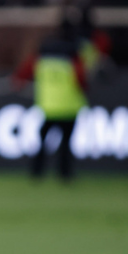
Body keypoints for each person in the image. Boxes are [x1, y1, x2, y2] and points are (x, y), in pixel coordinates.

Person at [15, 19, 89, 180]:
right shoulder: (73, 52)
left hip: (48, 106)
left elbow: (26, 69)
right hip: (69, 107)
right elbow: (81, 78)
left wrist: (18, 81)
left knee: (42, 140)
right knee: (66, 143)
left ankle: (37, 172)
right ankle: (65, 174)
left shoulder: (44, 51)